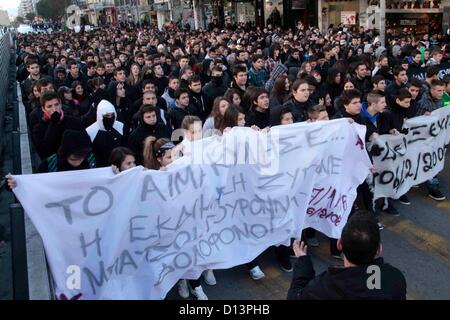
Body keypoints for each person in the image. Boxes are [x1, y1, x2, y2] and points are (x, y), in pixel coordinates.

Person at [287, 211, 407, 300]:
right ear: (379, 250)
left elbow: (295, 296)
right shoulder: (395, 279)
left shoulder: (324, 287)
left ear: (339, 244)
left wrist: (303, 261)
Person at [31, 91, 84, 159]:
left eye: (56, 104)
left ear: (61, 104)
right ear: (43, 109)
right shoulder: (38, 128)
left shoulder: (74, 121)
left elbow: (85, 142)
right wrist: (53, 124)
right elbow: (44, 152)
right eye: (49, 106)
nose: (54, 109)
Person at [86, 99, 124, 167]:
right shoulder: (91, 131)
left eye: (112, 115)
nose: (110, 118)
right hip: (100, 167)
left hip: (118, 165)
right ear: (100, 116)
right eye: (107, 116)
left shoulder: (120, 126)